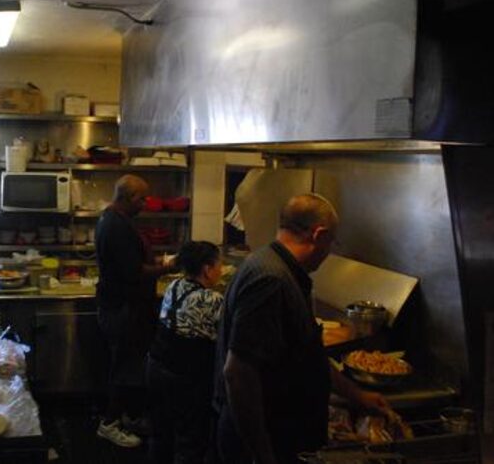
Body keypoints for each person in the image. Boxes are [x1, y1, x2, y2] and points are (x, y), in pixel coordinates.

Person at [213, 193, 390, 464]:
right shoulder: (271, 280)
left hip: (282, 434)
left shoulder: (275, 266)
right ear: (319, 235)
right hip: (271, 437)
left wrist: (357, 395)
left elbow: (308, 355)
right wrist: (262, 455)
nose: (329, 250)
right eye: (332, 241)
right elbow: (238, 373)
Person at [95, 174, 177, 448]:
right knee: (123, 367)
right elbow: (134, 273)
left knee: (128, 365)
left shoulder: (113, 218)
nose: (145, 203)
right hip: (123, 308)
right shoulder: (117, 226)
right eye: (142, 198)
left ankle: (128, 416)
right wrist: (169, 267)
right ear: (128, 197)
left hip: (120, 305)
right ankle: (109, 424)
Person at [146, 241, 224, 464]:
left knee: (161, 434)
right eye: (220, 265)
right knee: (190, 441)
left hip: (157, 367)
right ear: (207, 269)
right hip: (185, 378)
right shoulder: (212, 300)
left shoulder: (175, 286)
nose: (221, 269)